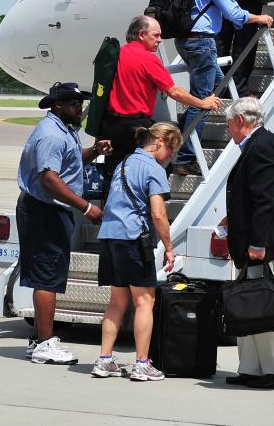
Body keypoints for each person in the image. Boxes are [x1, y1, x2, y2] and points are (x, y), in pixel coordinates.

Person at [17, 81, 112, 365]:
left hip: (49, 209)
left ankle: (38, 340)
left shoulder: (63, 131)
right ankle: (45, 344)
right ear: (57, 105)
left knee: (51, 273)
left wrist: (93, 152)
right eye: (73, 104)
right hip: (44, 210)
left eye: (79, 103)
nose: (79, 108)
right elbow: (50, 179)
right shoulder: (51, 135)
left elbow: (67, 164)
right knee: (47, 276)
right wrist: (85, 207)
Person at [174, 0, 274, 177]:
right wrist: (258, 17)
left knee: (224, 87)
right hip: (202, 40)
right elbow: (233, 13)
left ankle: (189, 129)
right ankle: (185, 157)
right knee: (203, 100)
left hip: (185, 40)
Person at [91, 122, 182, 382]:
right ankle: (142, 363)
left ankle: (105, 359)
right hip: (132, 238)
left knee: (117, 302)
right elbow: (158, 212)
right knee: (145, 301)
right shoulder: (153, 169)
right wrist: (169, 247)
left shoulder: (123, 164)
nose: (170, 157)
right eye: (171, 150)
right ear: (160, 142)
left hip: (109, 236)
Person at [219, 96, 274, 389]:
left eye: (229, 125)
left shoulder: (261, 146)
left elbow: (265, 200)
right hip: (254, 239)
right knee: (250, 305)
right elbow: (254, 198)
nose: (229, 132)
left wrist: (257, 242)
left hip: (259, 245)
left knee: (263, 307)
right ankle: (253, 368)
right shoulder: (263, 143)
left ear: (241, 121)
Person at [102, 15, 220, 182]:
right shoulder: (148, 58)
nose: (160, 40)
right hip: (136, 128)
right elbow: (174, 91)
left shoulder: (118, 53)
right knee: (154, 174)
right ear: (142, 35)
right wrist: (202, 102)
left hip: (111, 126)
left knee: (115, 177)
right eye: (156, 35)